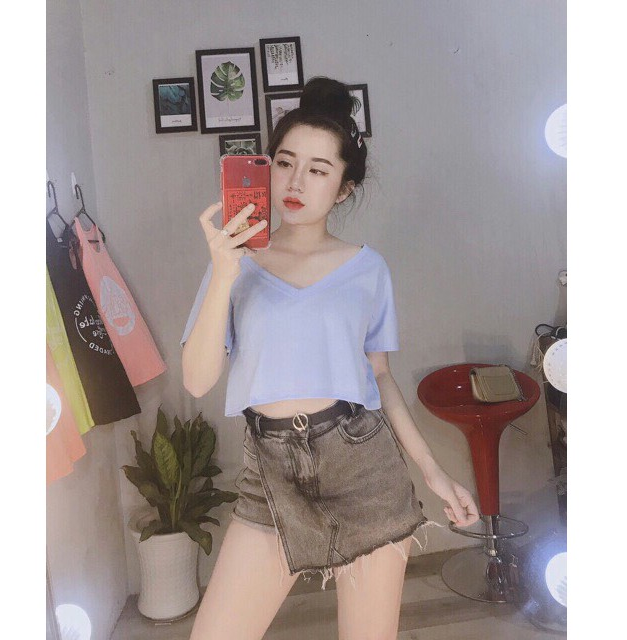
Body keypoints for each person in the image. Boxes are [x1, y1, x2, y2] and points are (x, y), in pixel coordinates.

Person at [181, 77, 479, 640]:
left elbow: (380, 377)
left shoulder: (368, 269)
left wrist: (434, 472)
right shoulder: (234, 265)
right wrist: (223, 274)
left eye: (318, 170)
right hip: (269, 472)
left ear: (344, 189)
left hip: (361, 466)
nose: (295, 182)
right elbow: (197, 381)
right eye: (285, 162)